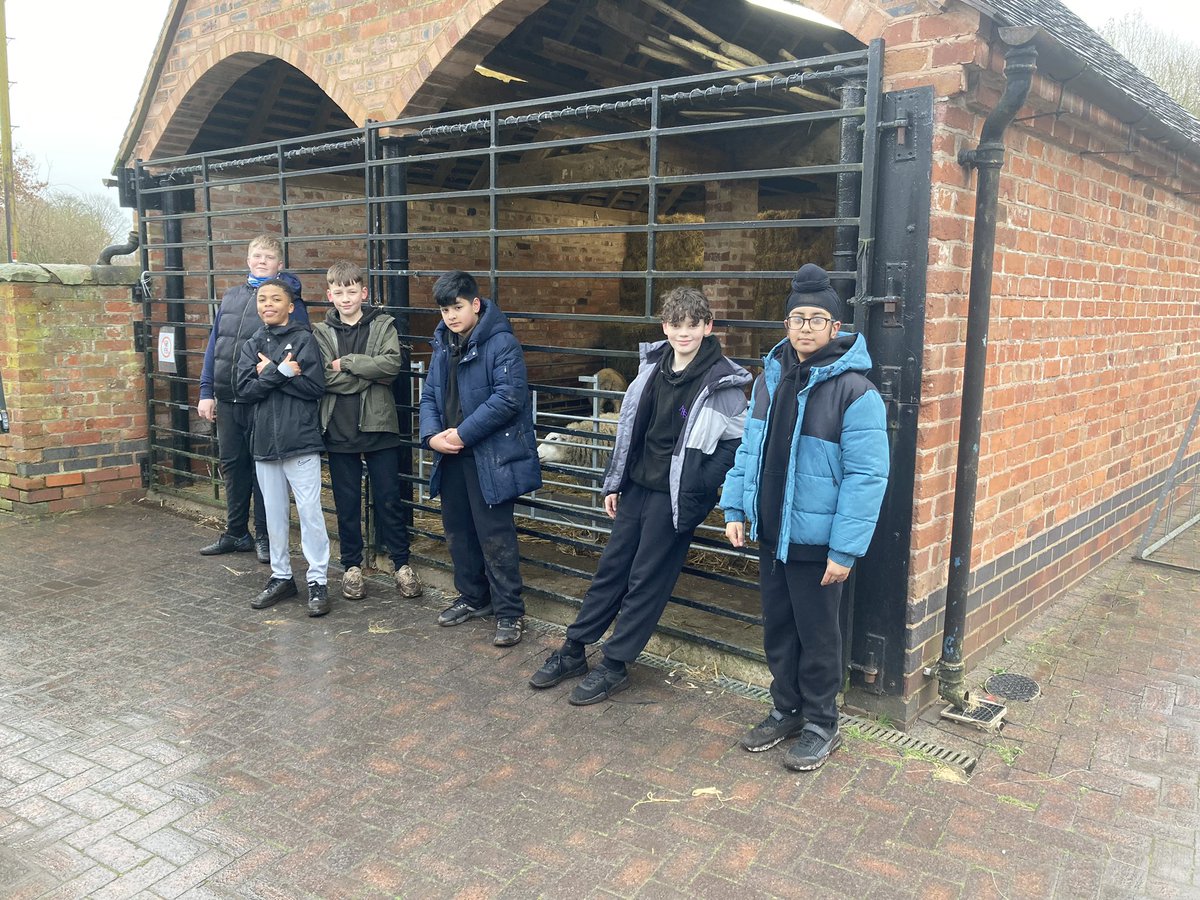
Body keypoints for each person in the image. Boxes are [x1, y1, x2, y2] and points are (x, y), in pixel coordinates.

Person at [528, 287, 751, 705]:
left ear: (708, 326)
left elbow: (736, 444)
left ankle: (615, 663)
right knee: (611, 570)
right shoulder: (650, 367)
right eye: (675, 325)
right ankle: (574, 648)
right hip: (636, 487)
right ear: (665, 327)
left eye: (692, 325)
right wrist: (615, 482)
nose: (683, 333)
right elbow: (629, 430)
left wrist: (702, 481)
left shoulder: (723, 382)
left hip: (676, 498)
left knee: (647, 579)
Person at [722, 263, 889, 771]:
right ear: (787, 325)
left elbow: (868, 477)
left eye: (818, 319)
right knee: (778, 628)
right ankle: (786, 709)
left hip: (817, 541)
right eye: (798, 318)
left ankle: (821, 721)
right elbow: (748, 449)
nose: (807, 328)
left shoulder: (856, 392)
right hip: (773, 533)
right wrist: (735, 506)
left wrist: (844, 549)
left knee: (818, 635)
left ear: (835, 328)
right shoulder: (769, 382)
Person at [418, 271, 541, 647]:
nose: (451, 316)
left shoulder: (501, 343)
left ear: (475, 303)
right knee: (458, 531)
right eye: (444, 310)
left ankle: (509, 613)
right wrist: (431, 436)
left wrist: (461, 434)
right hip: (451, 453)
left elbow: (508, 398)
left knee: (495, 536)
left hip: (490, 456)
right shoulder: (443, 343)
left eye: (457, 307)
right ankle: (474, 598)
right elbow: (429, 394)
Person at [313, 261, 423, 601]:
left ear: (363, 292)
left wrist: (346, 363)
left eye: (352, 291)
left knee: (389, 499)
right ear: (330, 295)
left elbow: (391, 366)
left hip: (379, 426)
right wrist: (367, 374)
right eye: (339, 292)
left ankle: (401, 565)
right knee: (346, 502)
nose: (346, 298)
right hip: (338, 427)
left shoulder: (383, 324)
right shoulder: (320, 332)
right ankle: (351, 567)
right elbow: (322, 377)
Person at [196, 234, 308, 563]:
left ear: (279, 265)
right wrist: (207, 391)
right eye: (256, 255)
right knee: (232, 465)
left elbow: (296, 348)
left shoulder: (287, 302)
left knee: (263, 468)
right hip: (228, 398)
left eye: (269, 257)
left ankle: (264, 535)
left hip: (263, 398)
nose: (261, 261)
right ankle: (235, 532)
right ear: (248, 260)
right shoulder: (230, 297)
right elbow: (215, 344)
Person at [235, 279, 331, 616]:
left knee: (309, 513)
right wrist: (281, 373)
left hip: (300, 441)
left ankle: (318, 579)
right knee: (274, 515)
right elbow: (244, 390)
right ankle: (281, 577)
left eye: (276, 299)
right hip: (263, 443)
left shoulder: (304, 339)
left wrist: (270, 374)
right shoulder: (252, 343)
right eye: (262, 299)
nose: (268, 304)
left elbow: (314, 386)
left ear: (290, 306)